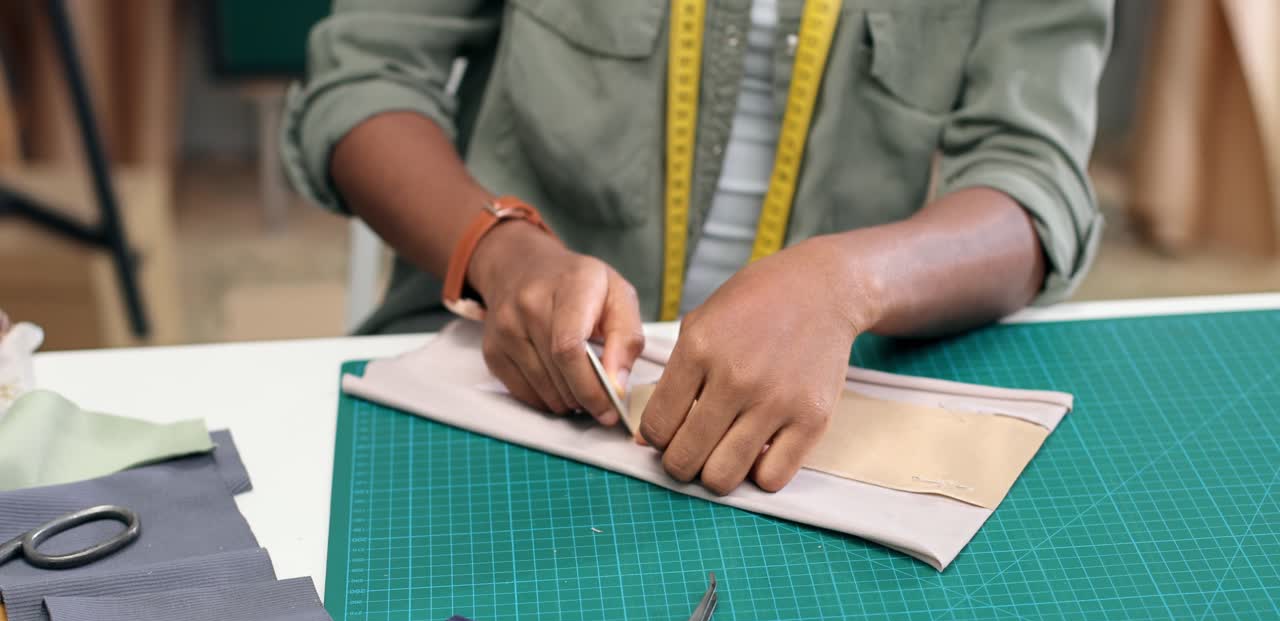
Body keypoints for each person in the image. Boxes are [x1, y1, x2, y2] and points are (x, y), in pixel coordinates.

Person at [282, 0, 1111, 496]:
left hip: (838, 394)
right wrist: (501, 250)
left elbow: (1034, 180)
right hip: (498, 369)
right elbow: (363, 81)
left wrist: (844, 285)